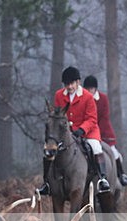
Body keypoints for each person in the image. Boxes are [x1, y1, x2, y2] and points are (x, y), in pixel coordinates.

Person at [37, 66, 110, 196]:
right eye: (66, 84)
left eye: (71, 83)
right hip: (66, 133)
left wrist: (81, 130)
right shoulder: (59, 95)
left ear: (78, 82)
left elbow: (92, 118)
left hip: (87, 131)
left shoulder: (88, 97)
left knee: (96, 147)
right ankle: (47, 183)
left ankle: (102, 179)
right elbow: (58, 115)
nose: (69, 87)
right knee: (48, 150)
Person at [82, 75, 127, 186]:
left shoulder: (103, 99)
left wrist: (97, 134)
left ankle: (121, 174)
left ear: (95, 89)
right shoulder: (83, 99)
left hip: (103, 131)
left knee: (113, 152)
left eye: (91, 89)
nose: (89, 91)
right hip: (86, 132)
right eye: (87, 89)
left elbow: (104, 118)